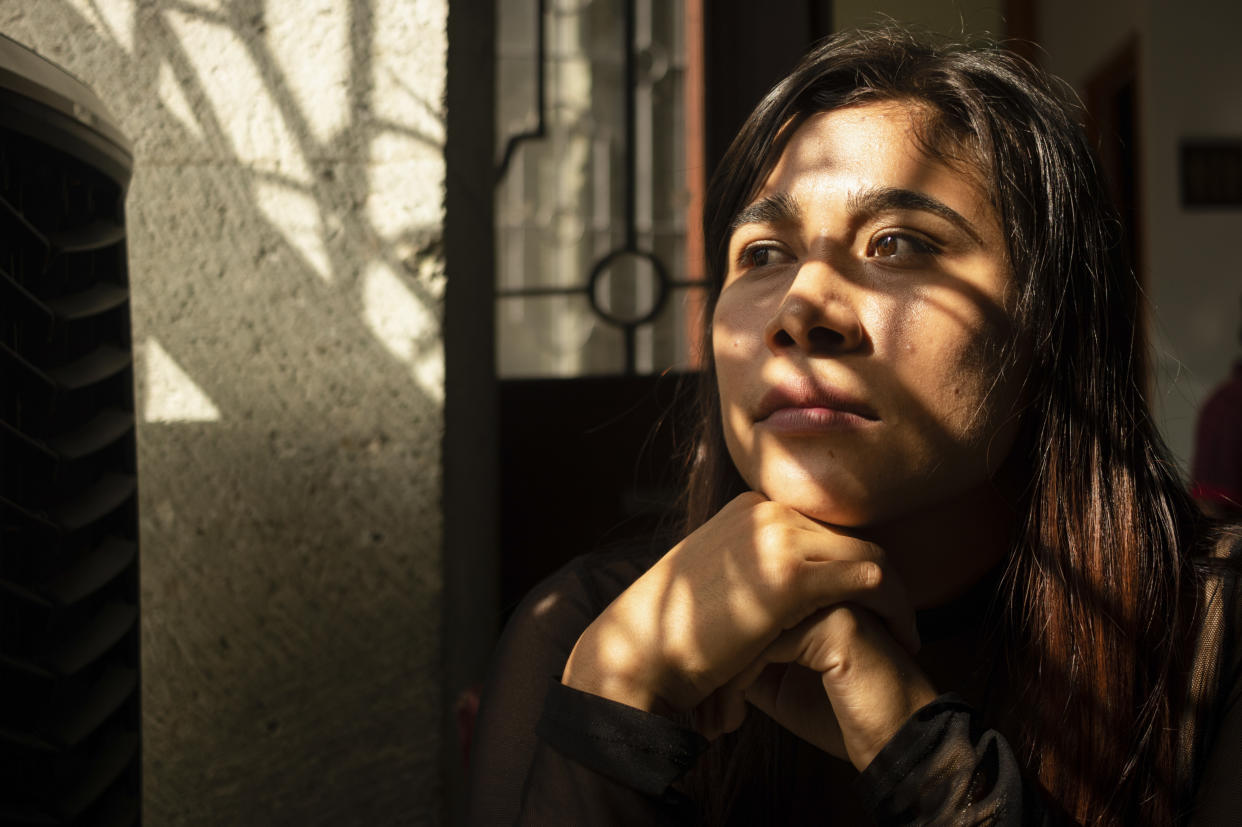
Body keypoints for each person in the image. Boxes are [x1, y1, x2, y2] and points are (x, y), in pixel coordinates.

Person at [467, 26, 1242, 825]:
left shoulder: (1209, 634)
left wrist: (921, 752)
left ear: (1049, 328)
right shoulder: (590, 630)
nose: (802, 309)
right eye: (763, 253)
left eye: (897, 243)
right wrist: (618, 707)